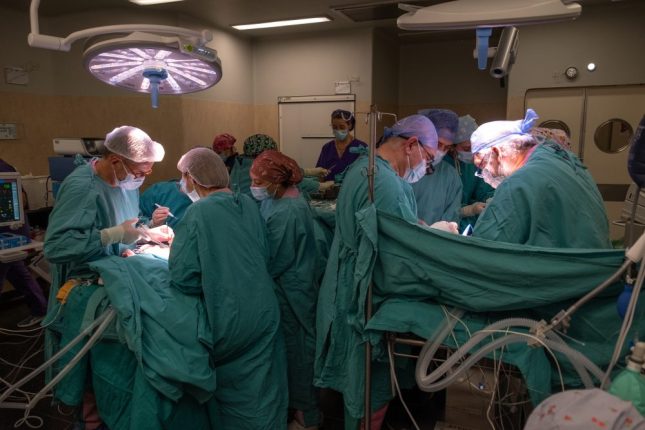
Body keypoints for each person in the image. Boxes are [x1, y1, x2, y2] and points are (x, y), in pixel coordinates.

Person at [316, 115, 450, 430]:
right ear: (411, 145)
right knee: (368, 387)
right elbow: (396, 256)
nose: (426, 168)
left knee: (358, 384)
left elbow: (385, 228)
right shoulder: (384, 182)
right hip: (366, 296)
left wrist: (417, 227)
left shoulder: (364, 168)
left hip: (347, 285)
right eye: (428, 159)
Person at [44, 125, 170, 428]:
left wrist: (146, 231)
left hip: (114, 277)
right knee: (88, 369)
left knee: (113, 364)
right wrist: (113, 235)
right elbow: (57, 247)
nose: (143, 177)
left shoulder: (126, 183)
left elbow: (127, 222)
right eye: (140, 171)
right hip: (85, 287)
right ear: (116, 161)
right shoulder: (82, 188)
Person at [169, 147, 288, 429]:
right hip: (265, 310)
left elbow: (184, 278)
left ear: (193, 178)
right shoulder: (246, 203)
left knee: (234, 398)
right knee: (262, 389)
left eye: (183, 177)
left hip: (230, 320)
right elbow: (262, 252)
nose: (182, 184)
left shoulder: (198, 213)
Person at [249, 150, 320, 430]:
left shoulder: (288, 211)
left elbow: (275, 259)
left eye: (257, 182)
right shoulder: (278, 198)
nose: (253, 186)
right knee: (291, 351)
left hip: (292, 291)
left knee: (298, 352)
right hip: (288, 284)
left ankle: (306, 416)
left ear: (276, 181)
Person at [470, 109, 611, 248]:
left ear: (496, 152)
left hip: (567, 261)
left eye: (483, 165)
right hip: (595, 255)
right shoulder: (558, 158)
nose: (487, 174)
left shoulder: (519, 182)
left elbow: (487, 246)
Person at [0, 158, 47, 328]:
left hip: (10, 233)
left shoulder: (3, 168)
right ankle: (40, 310)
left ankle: (41, 310)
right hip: (9, 233)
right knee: (18, 273)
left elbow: (21, 199)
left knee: (14, 270)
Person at [412, 108, 463, 225]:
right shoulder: (404, 167)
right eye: (438, 144)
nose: (441, 151)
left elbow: (451, 217)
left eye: (447, 147)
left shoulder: (450, 175)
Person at [445, 114, 495, 231]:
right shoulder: (442, 166)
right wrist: (466, 210)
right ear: (452, 146)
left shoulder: (474, 164)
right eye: (467, 149)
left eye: (475, 147)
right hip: (445, 224)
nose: (472, 153)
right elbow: (438, 205)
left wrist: (490, 201)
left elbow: (485, 190)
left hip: (471, 224)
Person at [315, 109, 367, 182]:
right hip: (329, 188)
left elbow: (365, 174)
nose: (338, 130)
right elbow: (319, 174)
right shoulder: (327, 148)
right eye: (335, 127)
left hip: (352, 188)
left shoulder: (361, 148)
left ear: (350, 125)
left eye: (342, 127)